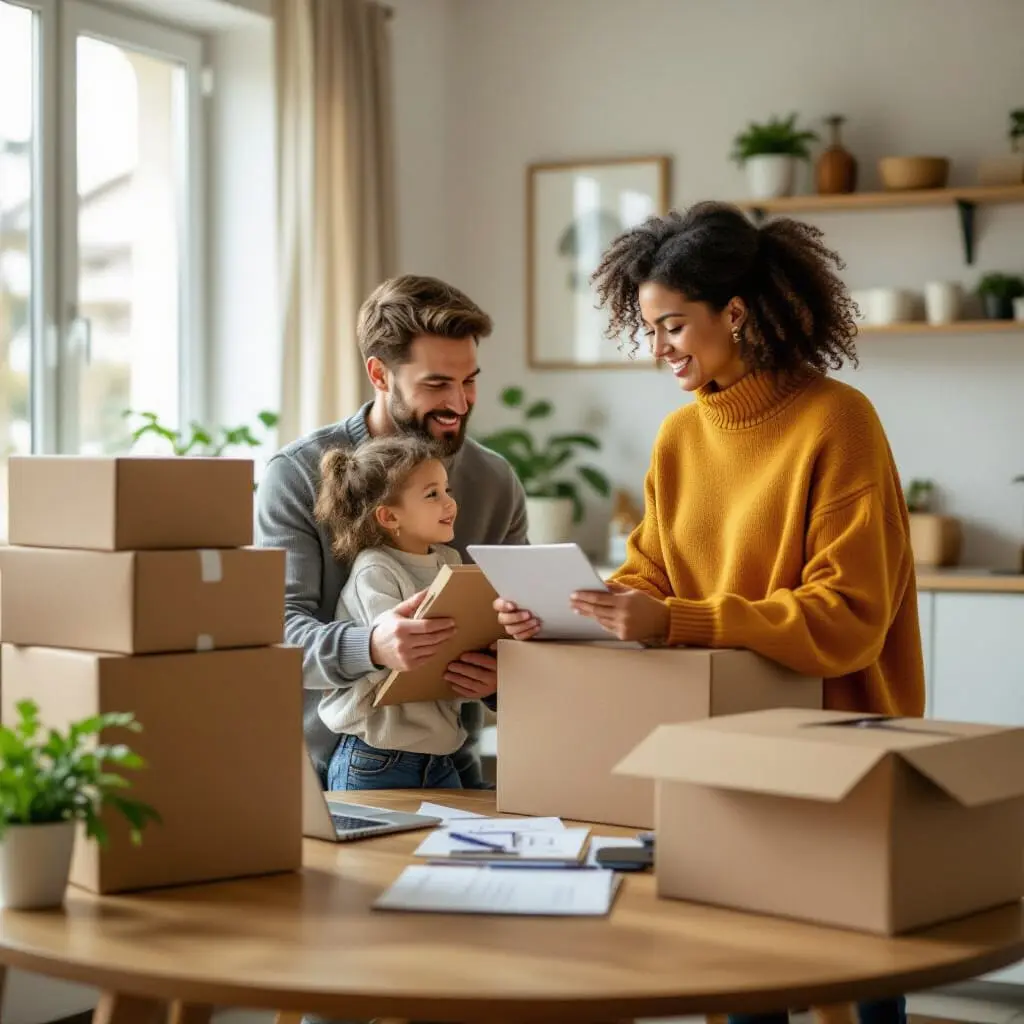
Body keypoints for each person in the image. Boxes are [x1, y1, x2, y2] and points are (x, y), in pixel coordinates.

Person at [496, 201, 924, 1024]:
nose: (659, 351)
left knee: (859, 975)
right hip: (722, 742)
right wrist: (579, 611)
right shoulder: (678, 439)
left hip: (841, 750)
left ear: (736, 313)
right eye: (648, 329)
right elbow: (652, 574)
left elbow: (847, 619)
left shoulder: (839, 422)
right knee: (736, 973)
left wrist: (676, 621)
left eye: (673, 327)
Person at [257, 274, 527, 791]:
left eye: (469, 380)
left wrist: (502, 680)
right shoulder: (296, 474)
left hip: (453, 763)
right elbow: (277, 635)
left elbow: (522, 625)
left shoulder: (493, 482)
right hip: (338, 772)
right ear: (380, 375)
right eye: (436, 384)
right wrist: (371, 646)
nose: (460, 404)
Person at [313, 434, 489, 790]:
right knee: (372, 848)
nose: (449, 503)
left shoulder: (450, 561)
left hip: (440, 758)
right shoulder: (374, 570)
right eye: (432, 494)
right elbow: (401, 664)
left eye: (447, 490)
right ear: (389, 516)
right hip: (376, 758)